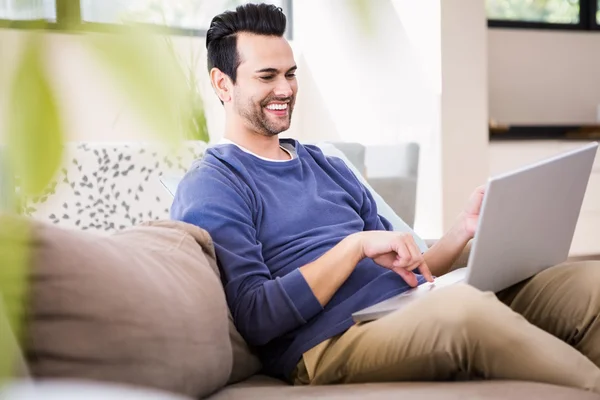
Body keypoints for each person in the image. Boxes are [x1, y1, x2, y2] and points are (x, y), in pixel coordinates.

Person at [171, 3, 600, 392]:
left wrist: (463, 231)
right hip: (328, 340)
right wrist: (353, 245)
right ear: (222, 83)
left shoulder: (326, 164)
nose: (285, 89)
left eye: (290, 73)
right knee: (467, 312)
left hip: (405, 302)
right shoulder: (214, 182)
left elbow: (411, 266)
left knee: (586, 285)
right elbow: (257, 316)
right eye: (267, 76)